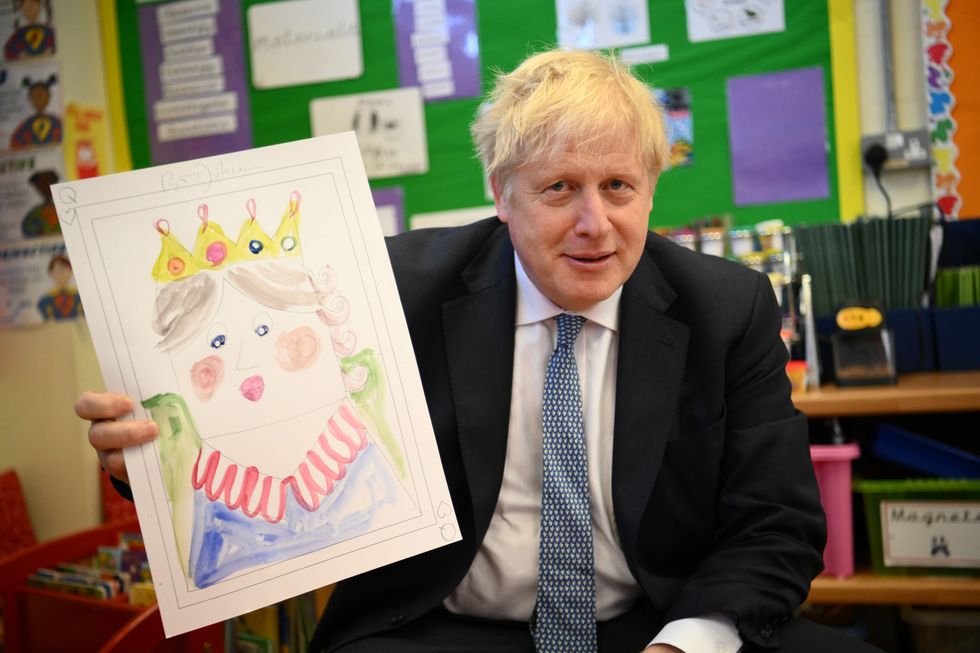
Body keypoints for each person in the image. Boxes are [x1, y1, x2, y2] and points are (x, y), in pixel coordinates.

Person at [77, 50, 882, 652]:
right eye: (559, 188)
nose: (594, 222)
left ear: (650, 188)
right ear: (501, 194)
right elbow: (259, 426)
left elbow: (777, 521)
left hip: (655, 623)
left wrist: (687, 640)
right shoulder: (388, 288)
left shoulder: (726, 306)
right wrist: (141, 457)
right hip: (438, 625)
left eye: (618, 187)